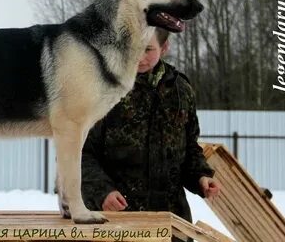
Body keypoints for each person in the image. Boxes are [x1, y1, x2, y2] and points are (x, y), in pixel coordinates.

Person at [81, 28, 220, 240]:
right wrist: (103, 192)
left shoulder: (180, 91)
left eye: (147, 49)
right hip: (117, 222)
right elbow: (79, 153)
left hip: (171, 223)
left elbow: (189, 148)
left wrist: (200, 176)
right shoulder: (104, 88)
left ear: (165, 47)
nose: (139, 57)